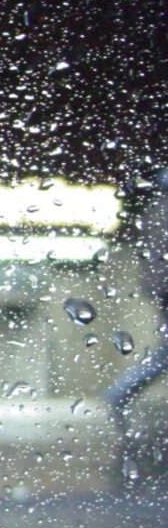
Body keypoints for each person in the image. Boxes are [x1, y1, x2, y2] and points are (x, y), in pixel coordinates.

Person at [104, 167, 168, 426]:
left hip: (162, 289)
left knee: (164, 354)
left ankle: (119, 394)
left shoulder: (156, 210)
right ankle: (119, 394)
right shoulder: (162, 212)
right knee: (164, 356)